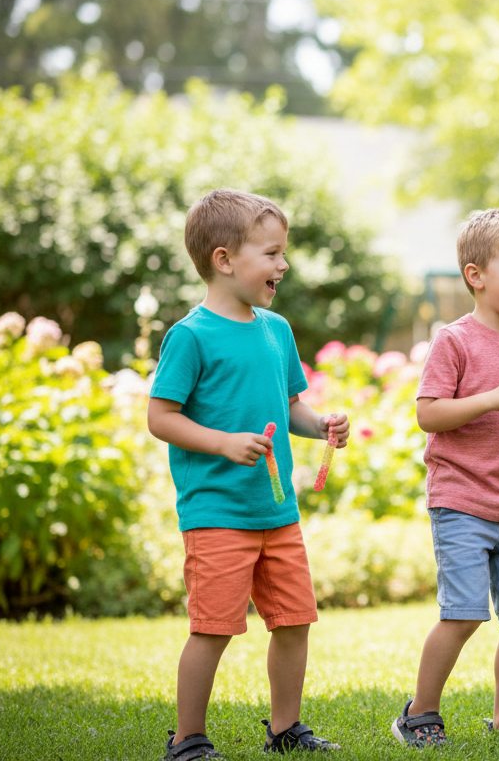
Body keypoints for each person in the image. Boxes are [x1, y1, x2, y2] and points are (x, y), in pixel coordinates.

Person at [147, 188, 349, 759]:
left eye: (283, 253)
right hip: (218, 512)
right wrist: (222, 443)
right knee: (212, 627)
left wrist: (322, 424)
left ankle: (286, 729)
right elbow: (161, 417)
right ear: (224, 259)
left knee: (293, 621)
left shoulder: (276, 329)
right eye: (271, 253)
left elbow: (290, 410)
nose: (282, 265)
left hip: (276, 511)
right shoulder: (190, 336)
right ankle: (187, 739)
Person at [391, 208, 499, 747]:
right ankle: (419, 714)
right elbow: (428, 414)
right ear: (476, 276)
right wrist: (491, 398)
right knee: (464, 613)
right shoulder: (455, 341)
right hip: (461, 500)